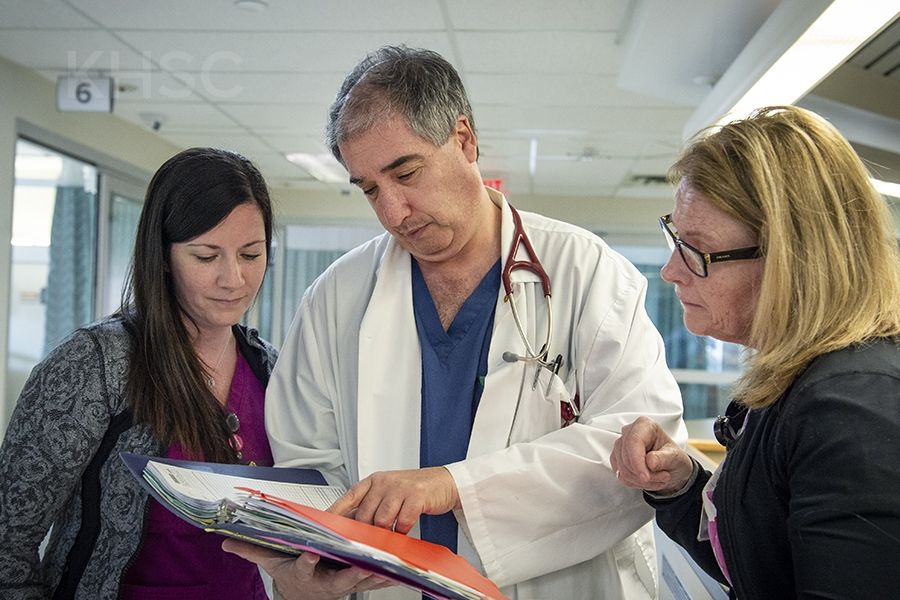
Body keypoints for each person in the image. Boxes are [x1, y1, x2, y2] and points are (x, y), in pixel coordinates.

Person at [224, 45, 686, 600]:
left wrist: (452, 486)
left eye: (406, 172)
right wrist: (305, 567)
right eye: (370, 189)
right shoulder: (336, 298)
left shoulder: (586, 273)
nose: (393, 211)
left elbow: (641, 447)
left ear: (464, 139)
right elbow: (307, 464)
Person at [610, 106, 900, 599]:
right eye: (675, 238)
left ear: (792, 259)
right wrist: (681, 485)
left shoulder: (851, 406)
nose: (671, 271)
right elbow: (762, 559)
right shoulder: (798, 382)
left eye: (697, 250)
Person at [0, 147, 279, 599]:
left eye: (251, 254)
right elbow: (8, 538)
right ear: (164, 256)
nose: (235, 279)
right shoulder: (95, 364)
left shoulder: (269, 369)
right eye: (206, 257)